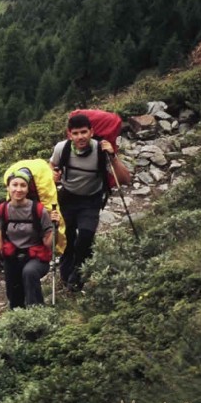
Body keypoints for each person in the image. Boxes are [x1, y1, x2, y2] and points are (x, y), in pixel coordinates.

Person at [49, 112, 131, 291]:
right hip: (67, 197)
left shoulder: (101, 151)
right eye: (76, 133)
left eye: (84, 132)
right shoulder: (61, 148)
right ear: (69, 134)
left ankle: (77, 275)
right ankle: (67, 273)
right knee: (67, 238)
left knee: (85, 236)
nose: (80, 137)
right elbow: (51, 167)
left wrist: (113, 156)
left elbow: (125, 179)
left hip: (91, 199)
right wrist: (52, 175)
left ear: (92, 132)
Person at [0, 170, 54, 308]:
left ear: (28, 189)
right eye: (14, 185)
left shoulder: (38, 210)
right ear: (8, 188)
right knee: (15, 300)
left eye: (23, 185)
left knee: (29, 272)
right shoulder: (3, 209)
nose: (18, 189)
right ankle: (18, 320)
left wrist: (55, 228)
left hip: (36, 259)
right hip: (12, 258)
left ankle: (36, 313)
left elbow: (48, 244)